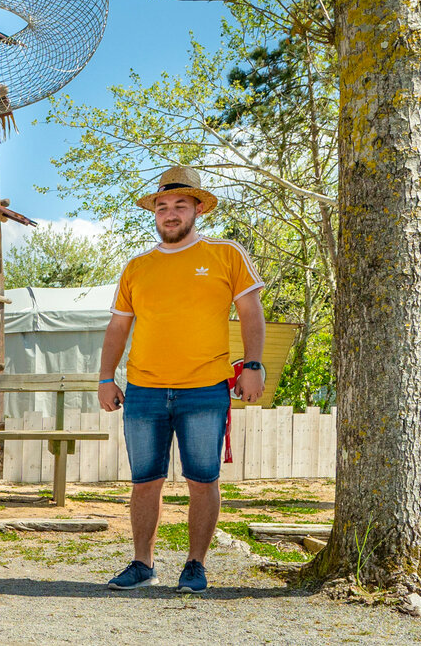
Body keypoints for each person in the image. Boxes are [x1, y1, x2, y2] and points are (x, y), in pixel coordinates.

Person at [99, 166, 265, 595]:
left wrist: (253, 364)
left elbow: (251, 313)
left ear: (197, 209)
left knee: (202, 478)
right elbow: (118, 328)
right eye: (162, 206)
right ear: (155, 213)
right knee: (145, 479)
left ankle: (195, 565)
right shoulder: (137, 266)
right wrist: (105, 377)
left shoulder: (226, 254)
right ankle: (142, 564)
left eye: (179, 205)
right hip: (144, 390)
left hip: (205, 389)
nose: (170, 213)